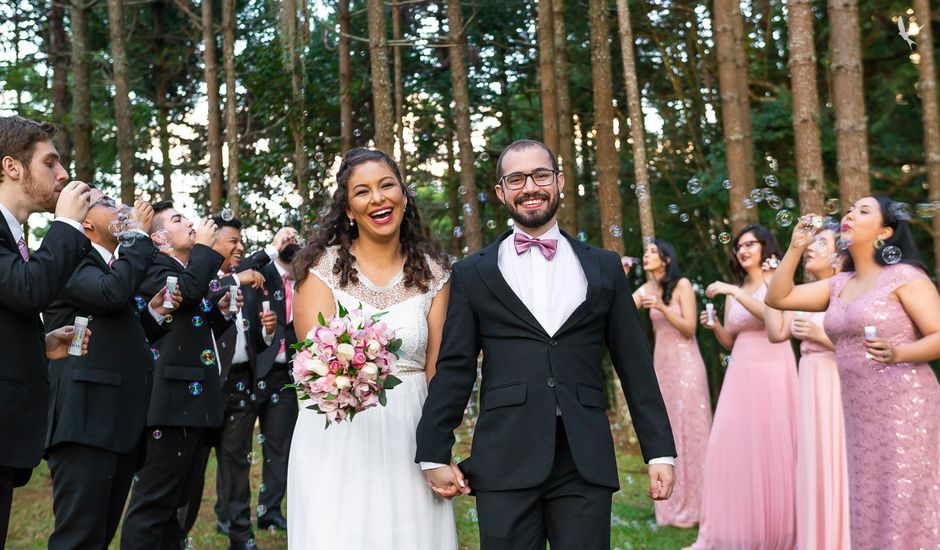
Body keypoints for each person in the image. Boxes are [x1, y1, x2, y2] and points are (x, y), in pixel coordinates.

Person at [415, 139, 676, 550]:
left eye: (540, 175)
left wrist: (659, 451)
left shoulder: (604, 266)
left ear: (560, 182)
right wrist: (433, 452)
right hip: (503, 454)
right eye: (516, 179)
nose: (530, 187)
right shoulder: (472, 272)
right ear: (501, 191)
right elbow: (455, 367)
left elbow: (635, 365)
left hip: (583, 457)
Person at [287, 148, 456, 549]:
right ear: (348, 209)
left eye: (387, 185)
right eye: (362, 192)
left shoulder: (435, 274)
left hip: (412, 433)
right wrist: (353, 368)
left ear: (403, 195)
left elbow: (439, 370)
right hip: (338, 433)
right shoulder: (320, 271)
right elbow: (314, 371)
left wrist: (438, 450)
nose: (378, 199)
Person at [766, 198, 940, 548]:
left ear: (885, 232)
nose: (849, 215)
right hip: (860, 413)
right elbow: (778, 298)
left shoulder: (904, 276)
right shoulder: (838, 284)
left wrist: (899, 352)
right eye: (849, 209)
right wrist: (796, 246)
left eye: (863, 211)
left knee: (903, 499)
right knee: (870, 498)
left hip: (906, 408)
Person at [43, 193, 181, 549]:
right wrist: (136, 232)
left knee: (99, 537)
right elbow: (111, 294)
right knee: (79, 538)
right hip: (86, 422)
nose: (120, 207)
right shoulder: (71, 257)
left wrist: (150, 315)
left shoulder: (111, 268)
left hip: (115, 423)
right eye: (105, 202)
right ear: (86, 223)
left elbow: (114, 331)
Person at [121, 202, 242, 550]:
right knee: (153, 505)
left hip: (192, 403)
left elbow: (189, 323)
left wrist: (218, 313)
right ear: (159, 238)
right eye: (178, 220)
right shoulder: (153, 264)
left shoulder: (189, 271)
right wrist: (207, 249)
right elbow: (183, 296)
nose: (191, 222)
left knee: (176, 506)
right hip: (169, 403)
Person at [0, 115, 93, 545]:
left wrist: (39, 345)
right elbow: (28, 288)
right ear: (12, 167)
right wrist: (69, 224)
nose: (64, 173)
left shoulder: (13, 235)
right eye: (51, 163)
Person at [689, 224, 798, 550]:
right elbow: (730, 341)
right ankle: (738, 528)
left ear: (766, 247)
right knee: (731, 445)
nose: (744, 250)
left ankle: (775, 530)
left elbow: (775, 321)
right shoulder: (736, 288)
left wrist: (736, 294)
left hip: (773, 370)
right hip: (739, 374)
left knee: (770, 446)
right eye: (739, 246)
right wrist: (716, 327)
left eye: (751, 244)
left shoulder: (778, 281)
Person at [763, 228, 850, 550]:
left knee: (836, 457)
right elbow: (775, 332)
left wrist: (817, 332)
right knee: (813, 461)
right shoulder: (802, 292)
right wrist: (771, 281)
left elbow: (862, 349)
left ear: (839, 257)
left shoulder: (846, 291)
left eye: (821, 244)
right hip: (809, 380)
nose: (812, 249)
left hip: (837, 381)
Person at [205, 216, 276, 550]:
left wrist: (267, 331)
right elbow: (201, 298)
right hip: (206, 386)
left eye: (241, 241)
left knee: (237, 464)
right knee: (189, 468)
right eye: (232, 240)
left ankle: (241, 537)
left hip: (241, 384)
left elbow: (252, 341)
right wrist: (235, 279)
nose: (240, 247)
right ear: (213, 241)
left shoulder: (246, 286)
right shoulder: (201, 276)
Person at [632, 239, 711, 529]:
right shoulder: (646, 289)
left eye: (653, 251)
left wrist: (663, 309)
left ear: (666, 258)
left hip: (687, 366)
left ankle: (701, 506)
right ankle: (671, 505)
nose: (647, 255)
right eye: (646, 252)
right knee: (669, 431)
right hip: (662, 366)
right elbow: (622, 313)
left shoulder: (682, 285)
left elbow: (690, 328)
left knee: (691, 430)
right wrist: (623, 277)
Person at [248, 227, 302, 532]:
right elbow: (238, 271)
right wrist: (274, 248)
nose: (291, 240)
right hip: (255, 369)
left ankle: (270, 510)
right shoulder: (262, 271)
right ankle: (230, 513)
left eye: (295, 236)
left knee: (279, 446)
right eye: (286, 235)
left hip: (288, 374)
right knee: (238, 447)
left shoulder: (304, 278)